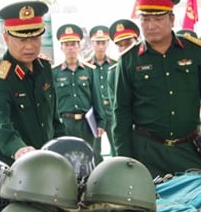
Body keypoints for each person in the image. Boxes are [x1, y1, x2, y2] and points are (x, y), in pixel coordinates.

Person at [113, 0, 201, 178]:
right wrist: (124, 158)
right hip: (146, 153)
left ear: (172, 19)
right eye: (145, 19)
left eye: (158, 19)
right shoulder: (129, 60)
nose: (150, 25)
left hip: (189, 150)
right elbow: (121, 113)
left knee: (199, 202)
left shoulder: (194, 52)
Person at [0, 1, 65, 165]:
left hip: (45, 160)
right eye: (22, 39)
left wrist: (64, 145)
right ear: (6, 38)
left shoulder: (45, 68)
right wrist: (18, 149)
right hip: (12, 165)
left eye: (35, 37)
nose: (30, 46)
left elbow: (54, 119)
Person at [52, 24, 105, 163]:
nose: (70, 48)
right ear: (61, 47)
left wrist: (101, 122)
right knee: (65, 159)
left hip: (86, 124)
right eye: (66, 44)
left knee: (90, 158)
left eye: (73, 44)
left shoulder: (89, 70)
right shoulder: (54, 72)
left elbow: (96, 98)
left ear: (79, 46)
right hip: (65, 124)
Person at [85, 25, 116, 156]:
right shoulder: (86, 66)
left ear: (108, 43)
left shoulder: (115, 64)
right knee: (94, 149)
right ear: (92, 43)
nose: (101, 46)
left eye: (103, 42)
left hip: (112, 111)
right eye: (97, 42)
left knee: (116, 145)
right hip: (95, 113)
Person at [107, 19, 140, 113]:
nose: (125, 48)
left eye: (128, 43)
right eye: (120, 45)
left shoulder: (149, 64)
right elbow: (117, 108)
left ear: (137, 41)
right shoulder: (114, 72)